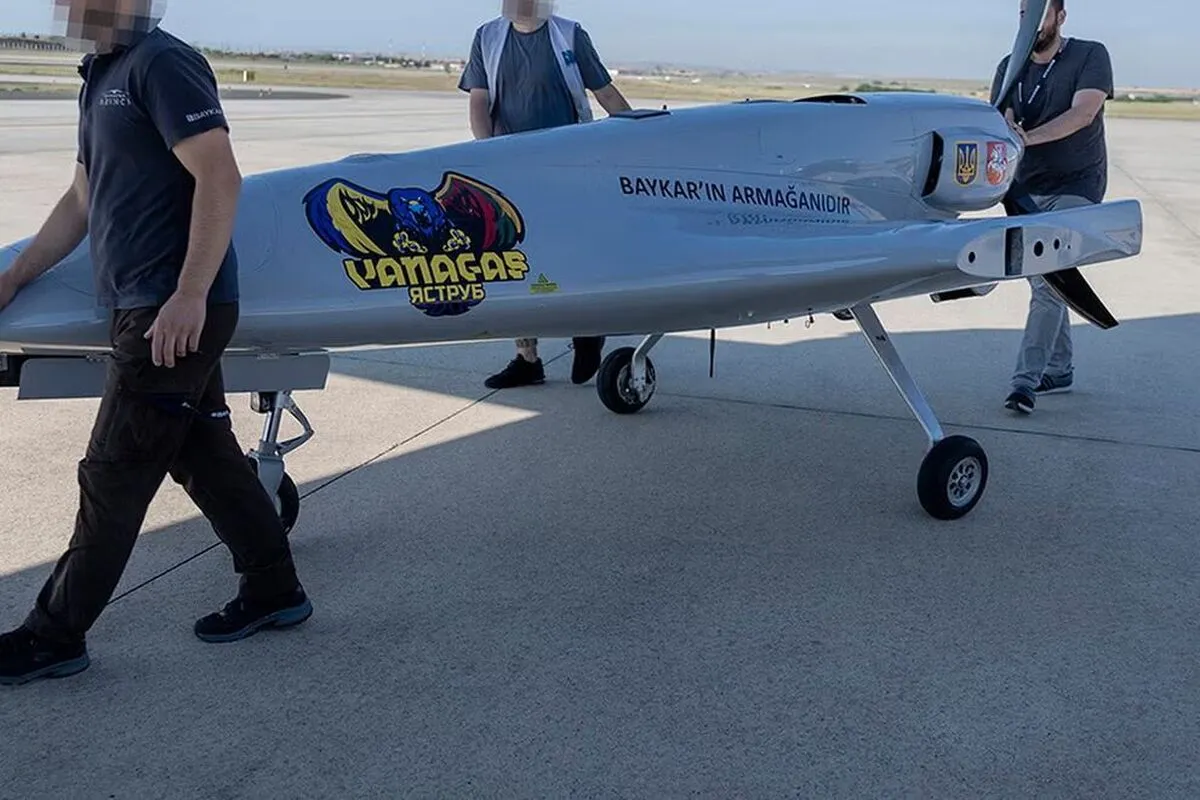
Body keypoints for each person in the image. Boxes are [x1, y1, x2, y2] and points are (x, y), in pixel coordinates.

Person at [0, 0, 311, 687]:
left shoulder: (162, 63)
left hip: (170, 313)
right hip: (145, 305)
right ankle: (275, 589)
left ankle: (54, 636)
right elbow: (83, 198)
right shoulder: (102, 71)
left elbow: (219, 176)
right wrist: (16, 274)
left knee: (114, 472)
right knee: (207, 459)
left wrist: (190, 294)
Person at [458, 0, 632, 390]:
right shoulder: (487, 37)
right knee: (516, 260)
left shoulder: (569, 35)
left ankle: (587, 331)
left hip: (567, 168)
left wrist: (639, 135)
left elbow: (604, 92)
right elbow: (479, 100)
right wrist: (487, 151)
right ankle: (527, 359)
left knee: (573, 256)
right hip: (510, 168)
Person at [990, 0, 1114, 414]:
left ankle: (1023, 383)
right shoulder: (1009, 65)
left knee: (1047, 284)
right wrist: (1007, 125)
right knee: (1047, 280)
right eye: (1024, 14)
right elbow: (1001, 117)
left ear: (1060, 17)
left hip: (1077, 184)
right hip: (1025, 189)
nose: (1030, 22)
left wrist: (1027, 138)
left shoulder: (1090, 55)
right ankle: (1059, 369)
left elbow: (1084, 113)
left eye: (1040, 13)